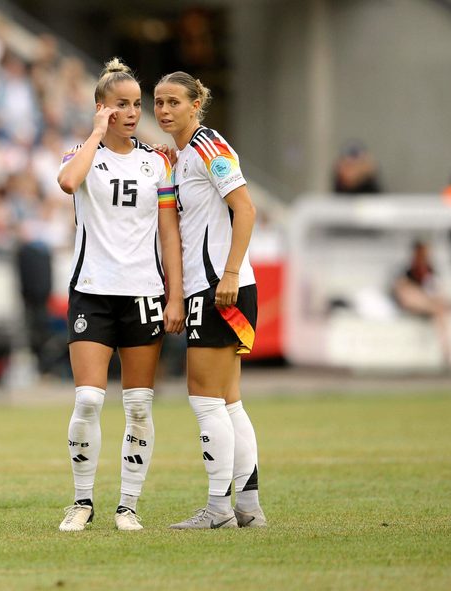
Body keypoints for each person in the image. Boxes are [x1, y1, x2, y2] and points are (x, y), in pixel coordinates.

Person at [55, 58, 183, 532]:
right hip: (92, 292)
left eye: (136, 105)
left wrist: (174, 296)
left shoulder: (157, 162)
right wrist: (94, 134)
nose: (132, 113)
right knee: (88, 399)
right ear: (101, 108)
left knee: (138, 405)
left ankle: (128, 505)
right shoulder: (81, 155)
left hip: (144, 293)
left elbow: (169, 235)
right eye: (121, 105)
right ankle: (81, 501)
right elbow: (68, 183)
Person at [153, 71, 266, 529]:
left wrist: (231, 273)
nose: (163, 110)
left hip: (220, 287)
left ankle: (218, 508)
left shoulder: (208, 146)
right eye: (158, 102)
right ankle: (248, 506)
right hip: (218, 285)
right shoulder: (184, 156)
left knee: (204, 399)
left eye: (174, 102)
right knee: (228, 401)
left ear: (196, 103)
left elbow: (246, 208)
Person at [392, 240, 451, 368]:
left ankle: (446, 349)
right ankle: (446, 349)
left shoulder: (430, 271)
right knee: (412, 294)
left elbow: (436, 290)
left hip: (427, 304)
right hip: (413, 304)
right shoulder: (408, 270)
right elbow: (401, 291)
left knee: (440, 308)